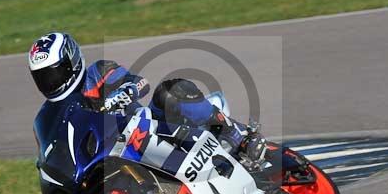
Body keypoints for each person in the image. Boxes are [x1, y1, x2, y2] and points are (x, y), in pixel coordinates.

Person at [28, 31, 266, 163]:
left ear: (72, 61)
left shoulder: (97, 74)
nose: (52, 81)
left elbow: (139, 83)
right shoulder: (54, 114)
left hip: (149, 128)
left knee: (170, 92)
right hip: (114, 159)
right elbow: (53, 151)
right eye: (44, 77)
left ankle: (239, 135)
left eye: (56, 72)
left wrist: (123, 94)